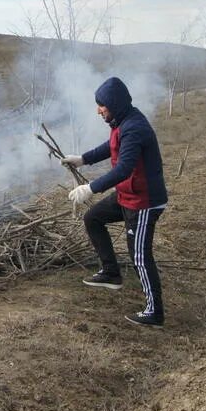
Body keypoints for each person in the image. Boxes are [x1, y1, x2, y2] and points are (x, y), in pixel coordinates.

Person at [62, 76, 168, 328]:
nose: (98, 110)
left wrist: (90, 187)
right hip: (127, 196)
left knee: (140, 256)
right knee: (93, 218)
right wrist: (82, 159)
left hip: (144, 202)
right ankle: (111, 273)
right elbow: (111, 146)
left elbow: (123, 169)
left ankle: (155, 313)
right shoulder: (123, 121)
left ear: (115, 104)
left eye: (102, 105)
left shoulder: (135, 128)